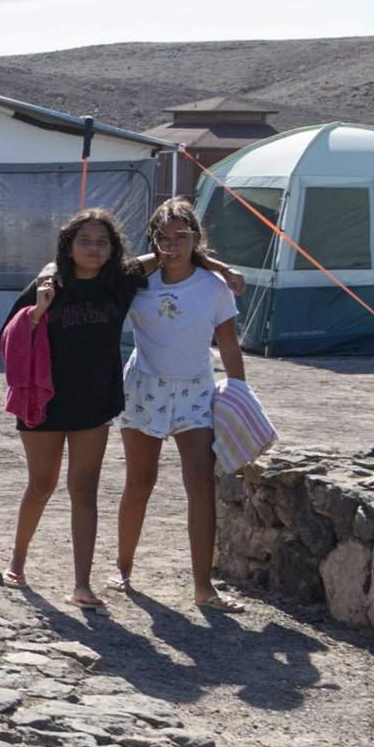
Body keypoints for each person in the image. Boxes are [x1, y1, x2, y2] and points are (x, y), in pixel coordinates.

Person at [110, 198, 247, 609]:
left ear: (196, 239)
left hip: (195, 391)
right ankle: (123, 567)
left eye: (182, 237)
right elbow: (115, 277)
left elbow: (229, 345)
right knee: (140, 482)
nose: (173, 246)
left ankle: (204, 587)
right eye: (163, 238)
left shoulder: (213, 289)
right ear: (152, 240)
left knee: (200, 486)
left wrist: (239, 396)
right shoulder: (139, 282)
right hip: (145, 386)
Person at [4, 209, 139, 607]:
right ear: (68, 246)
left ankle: (82, 584)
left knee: (84, 491)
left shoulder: (121, 283)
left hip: (94, 404)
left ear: (113, 248)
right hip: (43, 402)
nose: (93, 249)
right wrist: (42, 304)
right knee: (41, 485)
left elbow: (168, 256)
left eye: (102, 242)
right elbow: (8, 336)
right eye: (84, 241)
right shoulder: (48, 284)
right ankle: (17, 560)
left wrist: (218, 266)